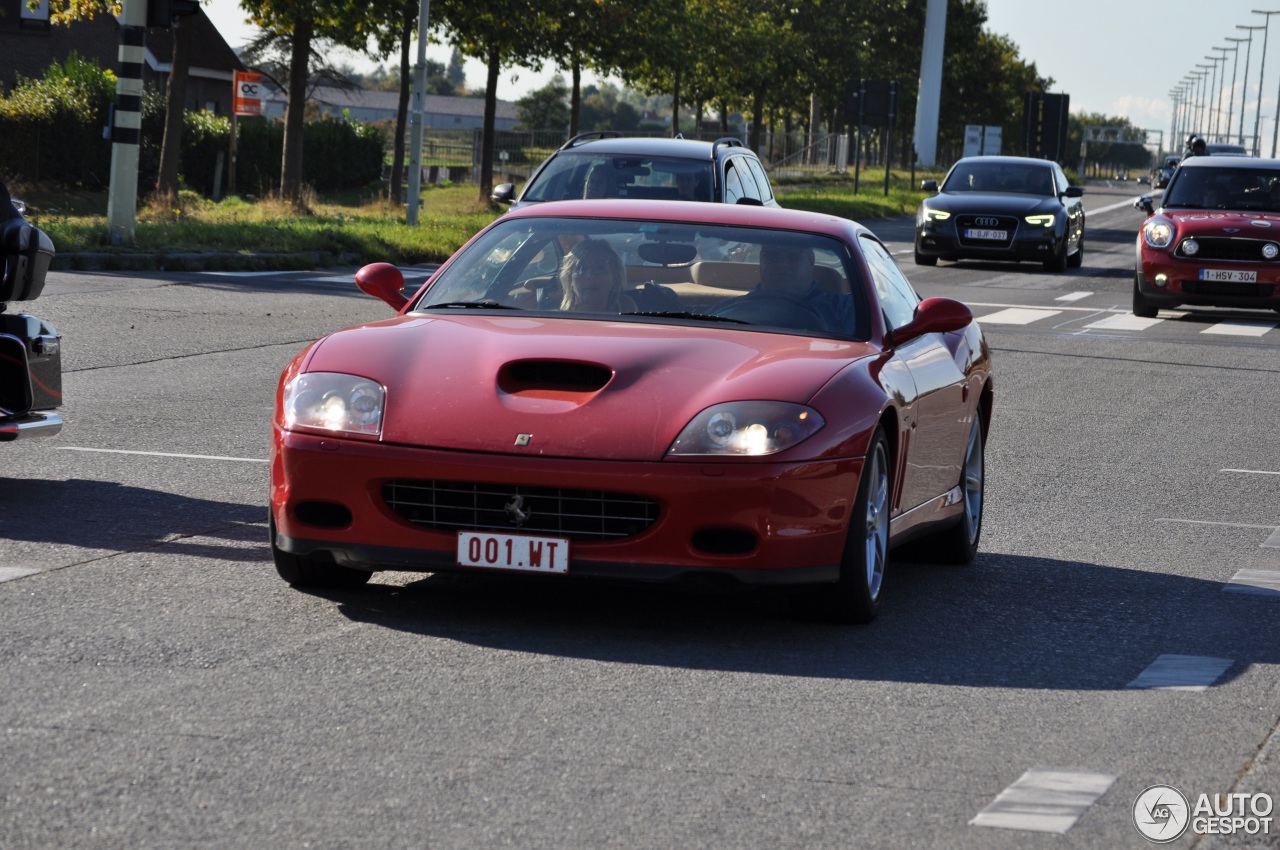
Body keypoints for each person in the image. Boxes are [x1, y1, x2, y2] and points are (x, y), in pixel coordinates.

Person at [741, 243, 856, 334]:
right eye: (773, 255)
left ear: (811, 260)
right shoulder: (729, 312)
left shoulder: (844, 309)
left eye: (793, 256)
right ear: (761, 260)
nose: (782, 264)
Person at [559, 239, 636, 313]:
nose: (590, 276)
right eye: (581, 269)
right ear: (569, 279)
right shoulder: (553, 317)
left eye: (599, 269)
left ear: (615, 277)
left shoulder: (625, 308)